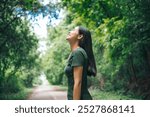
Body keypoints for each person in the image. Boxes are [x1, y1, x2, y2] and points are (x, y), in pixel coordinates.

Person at [64, 26, 97, 100]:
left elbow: (78, 82)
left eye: (73, 30)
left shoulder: (78, 53)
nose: (70, 31)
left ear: (80, 36)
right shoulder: (75, 53)